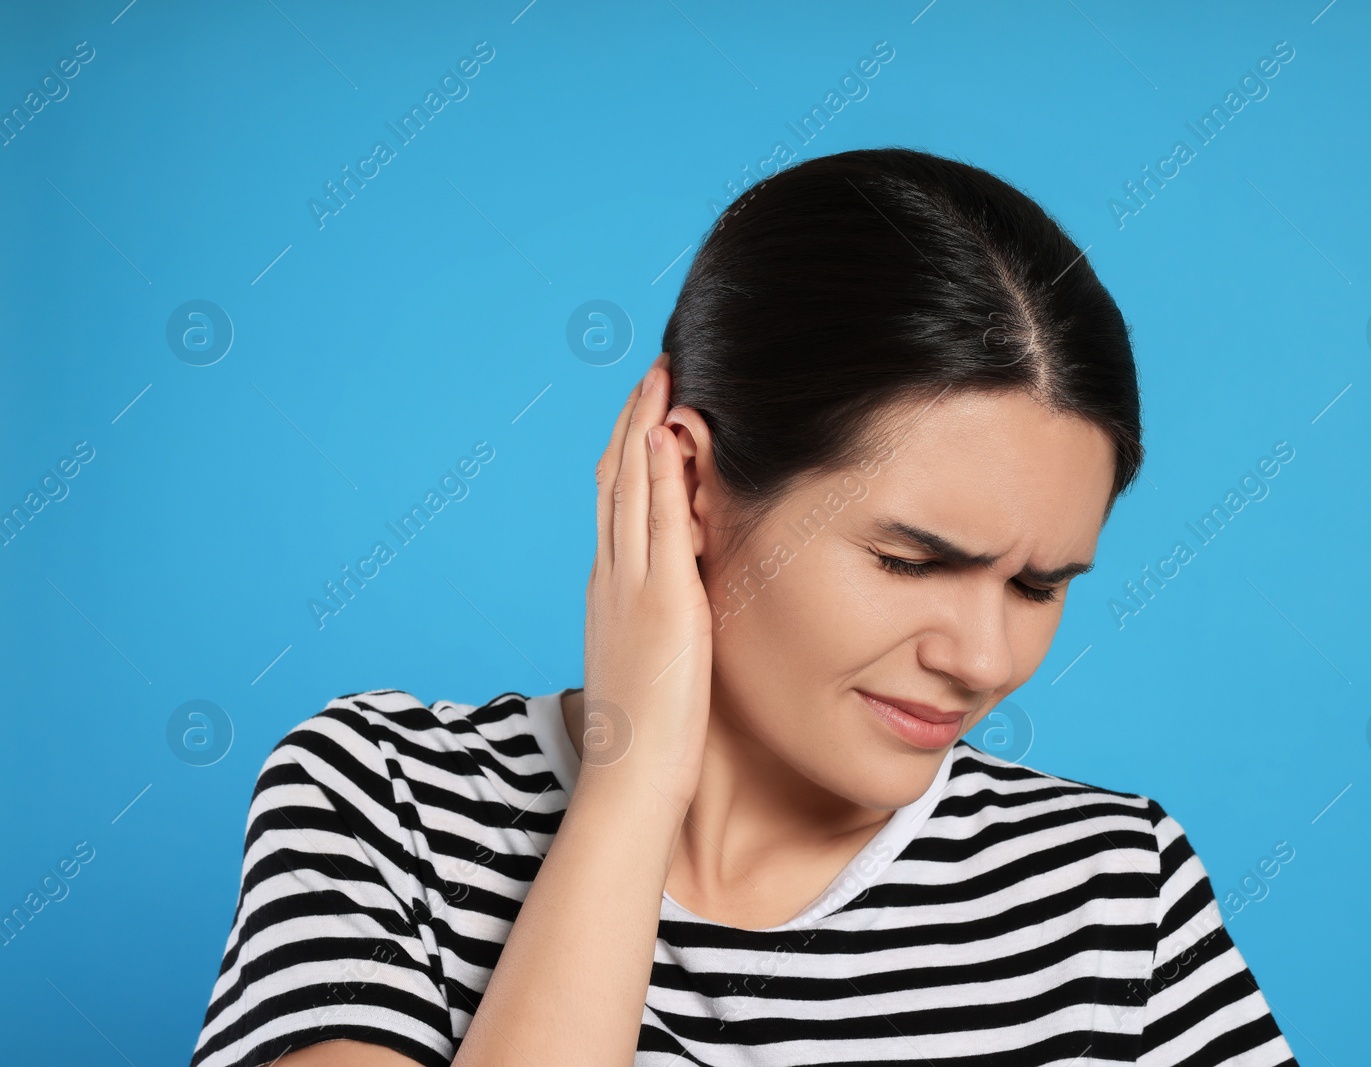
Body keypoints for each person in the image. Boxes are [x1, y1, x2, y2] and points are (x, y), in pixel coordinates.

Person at [188, 146, 1299, 1066]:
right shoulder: (388, 805)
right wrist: (631, 785)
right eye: (909, 560)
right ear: (688, 483)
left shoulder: (1110, 892)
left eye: (1036, 584)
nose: (982, 657)